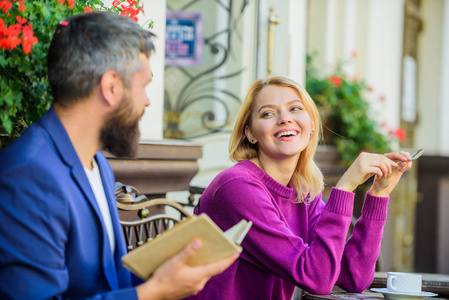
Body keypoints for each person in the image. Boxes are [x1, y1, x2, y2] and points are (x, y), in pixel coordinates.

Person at [0, 11, 237, 300]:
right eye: (144, 85)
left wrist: (168, 267)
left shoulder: (98, 164)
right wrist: (154, 292)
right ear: (111, 87)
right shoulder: (28, 174)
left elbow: (108, 281)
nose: (148, 101)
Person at [189, 76, 413, 300]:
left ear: (312, 124)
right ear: (250, 133)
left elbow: (353, 277)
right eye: (268, 113)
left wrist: (379, 194)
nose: (285, 119)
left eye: (295, 108)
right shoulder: (237, 187)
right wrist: (345, 187)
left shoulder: (302, 191)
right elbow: (318, 279)